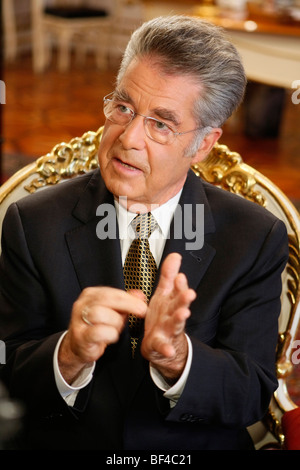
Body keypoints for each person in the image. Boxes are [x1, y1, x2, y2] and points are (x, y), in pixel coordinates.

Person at [0, 15, 289, 451]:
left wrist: (177, 360)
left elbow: (251, 394)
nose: (128, 137)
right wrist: (69, 354)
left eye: (161, 123)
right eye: (123, 107)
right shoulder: (32, 221)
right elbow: (9, 374)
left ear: (205, 144)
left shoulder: (253, 236)